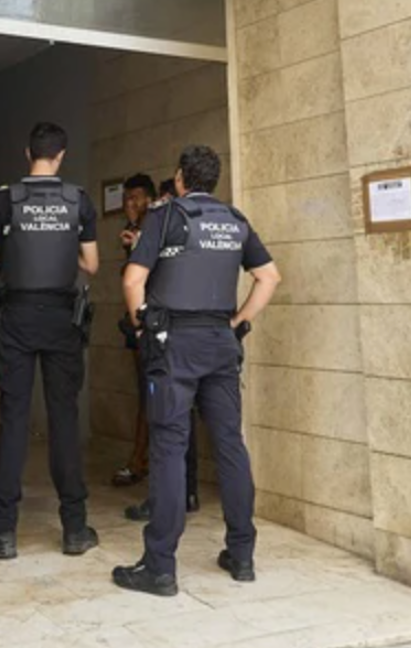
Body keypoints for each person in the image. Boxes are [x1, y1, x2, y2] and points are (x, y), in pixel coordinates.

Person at [112, 145, 281, 597]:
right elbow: (270, 277)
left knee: (169, 446)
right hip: (220, 344)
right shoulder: (236, 221)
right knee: (230, 443)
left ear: (181, 178)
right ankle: (242, 554)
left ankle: (160, 565)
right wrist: (239, 321)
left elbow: (132, 279)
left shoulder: (165, 217)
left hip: (174, 345)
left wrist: (141, 324)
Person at [0, 122, 101, 560]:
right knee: (63, 417)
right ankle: (76, 528)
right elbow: (92, 264)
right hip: (62, 318)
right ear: (61, 156)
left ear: (29, 153)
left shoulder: (6, 199)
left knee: (14, 418)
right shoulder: (78, 199)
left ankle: (2, 531)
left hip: (17, 317)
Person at [123, 176, 200, 523]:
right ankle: (184, 492)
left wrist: (141, 329)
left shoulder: (165, 226)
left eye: (143, 199)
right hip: (189, 334)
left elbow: (138, 280)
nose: (134, 206)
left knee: (166, 415)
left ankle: (172, 496)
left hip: (163, 334)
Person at [111, 173, 157, 489]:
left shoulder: (156, 227)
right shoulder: (134, 232)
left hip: (155, 324)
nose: (131, 203)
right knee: (144, 394)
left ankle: (140, 460)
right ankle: (140, 457)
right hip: (138, 324)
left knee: (151, 395)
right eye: (127, 198)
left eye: (136, 197)